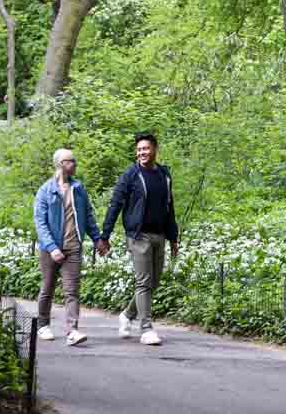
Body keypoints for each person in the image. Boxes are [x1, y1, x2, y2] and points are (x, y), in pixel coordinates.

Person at [100, 130, 178, 346]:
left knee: (154, 282)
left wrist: (173, 237)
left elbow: (170, 207)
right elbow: (115, 204)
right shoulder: (131, 175)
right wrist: (104, 236)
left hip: (159, 234)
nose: (142, 152)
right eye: (139, 150)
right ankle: (146, 328)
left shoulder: (164, 175)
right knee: (143, 281)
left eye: (146, 148)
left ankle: (127, 315)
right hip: (138, 235)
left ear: (155, 149)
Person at [33, 147, 107, 346]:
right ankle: (43, 325)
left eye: (74, 160)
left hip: (73, 246)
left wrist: (97, 238)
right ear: (60, 164)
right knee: (47, 288)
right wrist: (51, 247)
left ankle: (72, 330)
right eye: (71, 161)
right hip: (51, 249)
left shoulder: (78, 188)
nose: (75, 164)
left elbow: (88, 216)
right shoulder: (45, 191)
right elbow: (40, 223)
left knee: (72, 291)